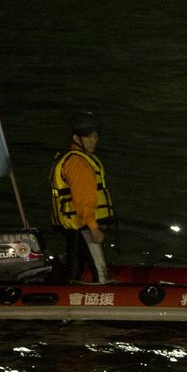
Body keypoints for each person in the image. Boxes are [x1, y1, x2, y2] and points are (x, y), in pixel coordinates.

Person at [49, 110, 116, 284]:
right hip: (84, 226)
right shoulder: (79, 163)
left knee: (75, 265)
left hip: (75, 226)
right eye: (88, 137)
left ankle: (68, 296)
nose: (94, 140)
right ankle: (99, 300)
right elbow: (83, 199)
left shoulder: (73, 160)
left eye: (95, 136)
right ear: (76, 139)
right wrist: (93, 226)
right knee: (99, 270)